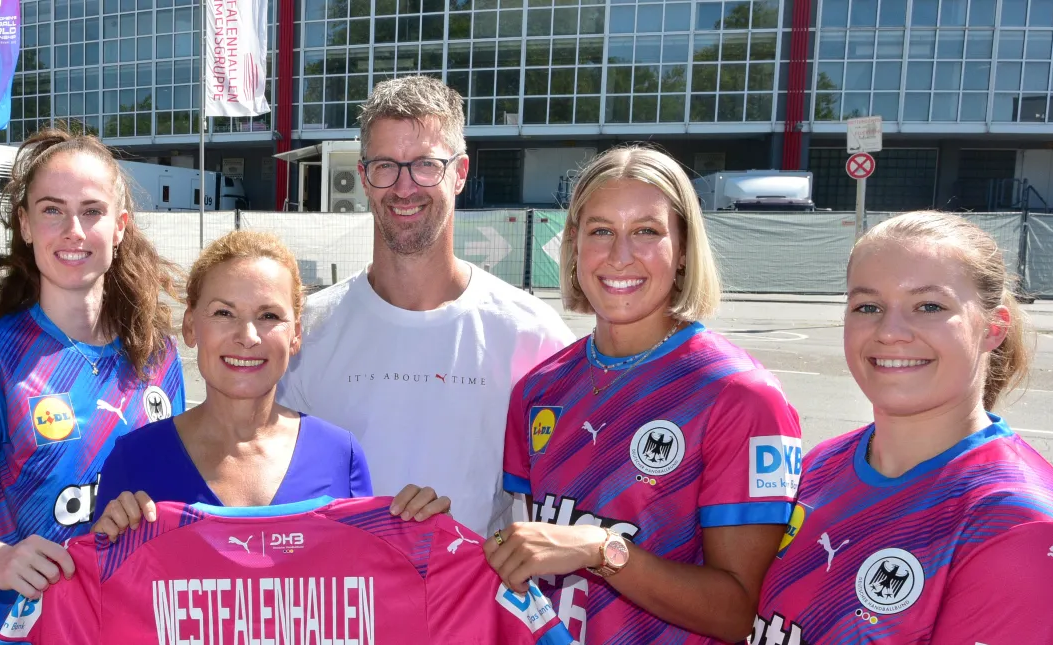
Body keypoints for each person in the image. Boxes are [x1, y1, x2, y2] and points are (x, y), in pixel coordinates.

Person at [749, 212, 1053, 643]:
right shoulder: (821, 465)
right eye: (868, 307)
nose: (890, 332)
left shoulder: (1022, 527)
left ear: (994, 327)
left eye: (929, 307)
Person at [487, 145, 803, 643]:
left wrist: (603, 550)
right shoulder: (539, 388)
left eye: (646, 231)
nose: (620, 255)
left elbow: (738, 612)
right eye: (601, 231)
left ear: (684, 250)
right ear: (574, 245)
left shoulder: (740, 395)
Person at [276, 75, 575, 536]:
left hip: (478, 584)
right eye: (385, 166)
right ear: (363, 177)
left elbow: (569, 494)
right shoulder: (307, 332)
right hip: (344, 582)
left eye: (426, 165)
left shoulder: (531, 334)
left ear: (460, 173)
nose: (404, 187)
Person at [0, 128, 188, 644]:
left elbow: (173, 505)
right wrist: (0, 559)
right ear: (25, 224)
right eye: (52, 210)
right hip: (20, 634)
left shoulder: (159, 356)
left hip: (130, 626)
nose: (73, 230)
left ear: (119, 227)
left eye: (92, 211)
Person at [89, 230, 451, 538]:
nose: (247, 336)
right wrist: (104, 544)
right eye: (224, 313)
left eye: (268, 316)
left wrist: (416, 540)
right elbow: (103, 590)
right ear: (190, 327)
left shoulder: (341, 456)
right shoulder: (133, 460)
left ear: (296, 336)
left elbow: (366, 580)